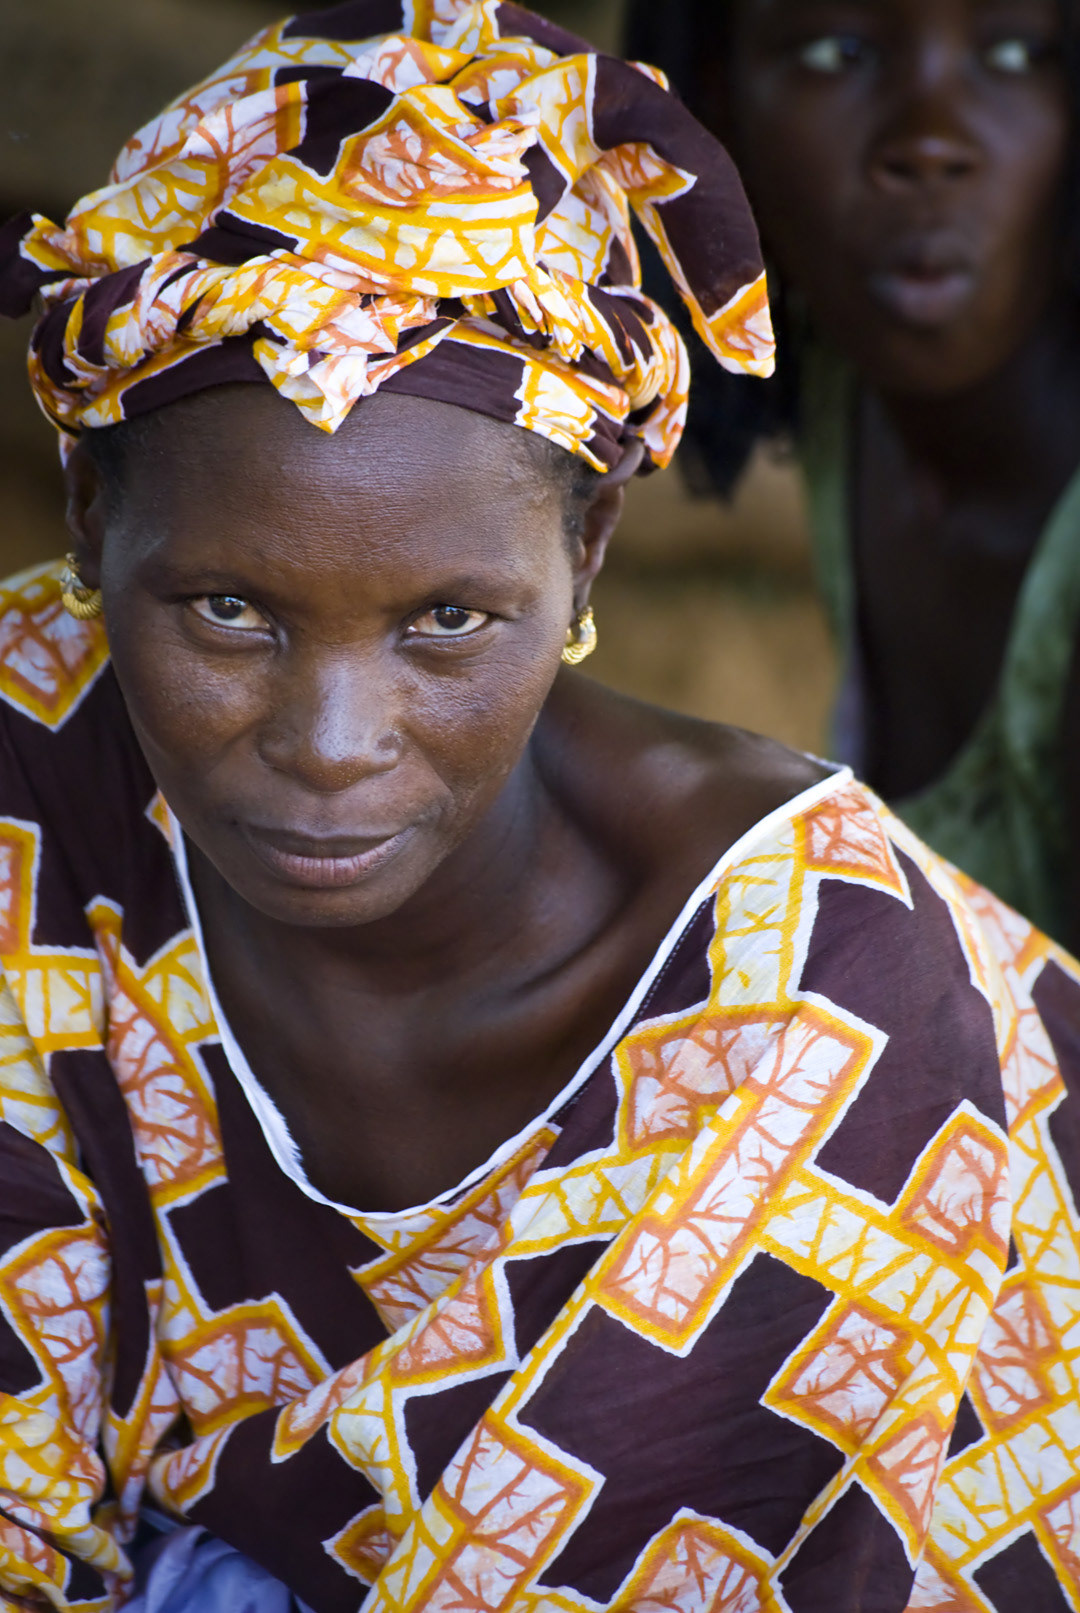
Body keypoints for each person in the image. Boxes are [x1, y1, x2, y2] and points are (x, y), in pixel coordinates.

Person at [0, 4, 1078, 1610]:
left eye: (446, 623)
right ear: (91, 519)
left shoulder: (837, 1018)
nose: (331, 742)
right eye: (230, 613)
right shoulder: (43, 733)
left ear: (584, 558)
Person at [625, 0, 1080, 950]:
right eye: (839, 52)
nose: (930, 142)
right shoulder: (852, 394)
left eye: (1015, 52)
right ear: (711, 106)